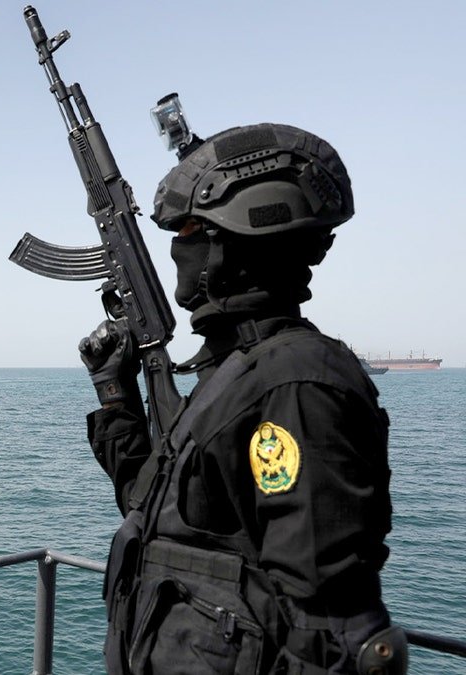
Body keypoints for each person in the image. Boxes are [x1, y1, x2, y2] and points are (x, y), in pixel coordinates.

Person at [79, 123, 405, 674]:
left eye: (187, 229)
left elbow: (324, 632)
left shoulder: (298, 386)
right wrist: (115, 397)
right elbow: (156, 510)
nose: (177, 246)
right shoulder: (234, 376)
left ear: (236, 239)